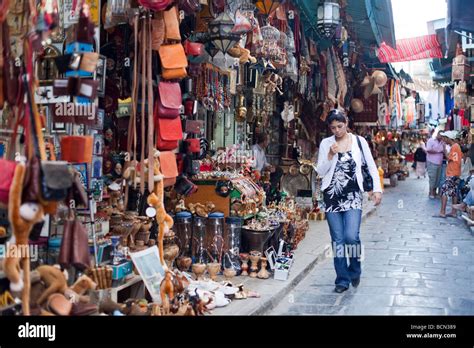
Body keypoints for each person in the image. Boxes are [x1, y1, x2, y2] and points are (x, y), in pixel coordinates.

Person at [315, 109, 382, 294]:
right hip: (332, 197)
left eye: (340, 126)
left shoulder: (359, 141)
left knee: (351, 237)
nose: (337, 130)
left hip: (353, 197)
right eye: (333, 127)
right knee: (338, 240)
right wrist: (329, 155)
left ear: (346, 123)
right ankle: (342, 279)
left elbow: (371, 166)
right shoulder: (326, 143)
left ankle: (354, 269)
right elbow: (320, 172)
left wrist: (377, 189)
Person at [436, 131, 462, 218]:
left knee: (444, 191)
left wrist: (444, 149)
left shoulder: (454, 147)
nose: (444, 140)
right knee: (454, 192)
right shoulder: (456, 146)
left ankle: (442, 212)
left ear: (449, 138)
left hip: (452, 173)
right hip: (455, 173)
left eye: (445, 138)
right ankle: (453, 212)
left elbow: (448, 158)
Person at [426, 130, 445, 198]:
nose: (441, 136)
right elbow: (428, 150)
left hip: (439, 163)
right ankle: (431, 193)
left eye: (442, 135)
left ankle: (434, 192)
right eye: (440, 135)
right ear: (437, 134)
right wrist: (438, 151)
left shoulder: (443, 142)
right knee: (432, 178)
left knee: (437, 179)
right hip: (432, 162)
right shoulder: (431, 140)